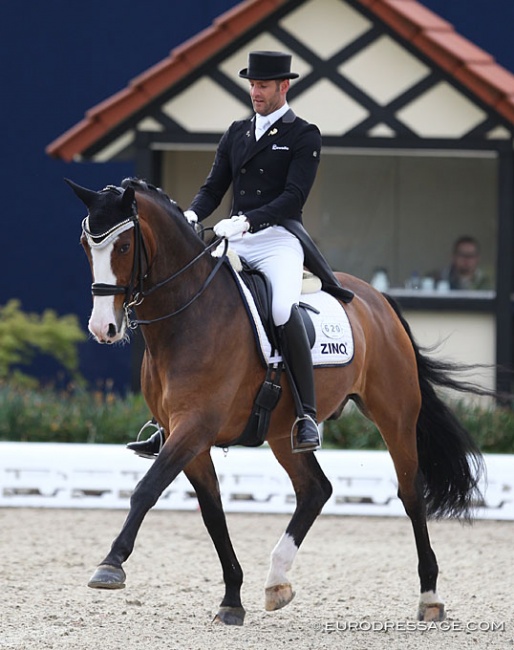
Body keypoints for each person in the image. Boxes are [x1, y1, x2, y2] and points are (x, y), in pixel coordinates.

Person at [128, 50, 352, 457]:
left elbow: (293, 197)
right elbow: (214, 186)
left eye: (263, 85)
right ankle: (168, 419)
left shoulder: (304, 135)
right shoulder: (236, 132)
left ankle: (305, 414)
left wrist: (248, 221)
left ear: (284, 87)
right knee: (196, 301)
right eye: (252, 85)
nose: (256, 92)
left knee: (283, 309)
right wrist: (193, 214)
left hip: (278, 240)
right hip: (234, 238)